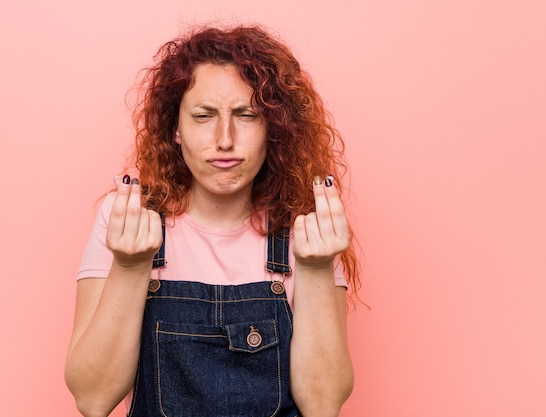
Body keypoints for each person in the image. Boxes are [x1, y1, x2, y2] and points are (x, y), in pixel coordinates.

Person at [65, 25, 361, 417]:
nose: (224, 139)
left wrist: (318, 267)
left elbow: (322, 405)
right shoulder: (127, 220)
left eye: (247, 115)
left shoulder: (308, 228)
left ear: (273, 128)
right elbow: (91, 398)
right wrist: (130, 266)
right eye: (203, 116)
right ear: (175, 129)